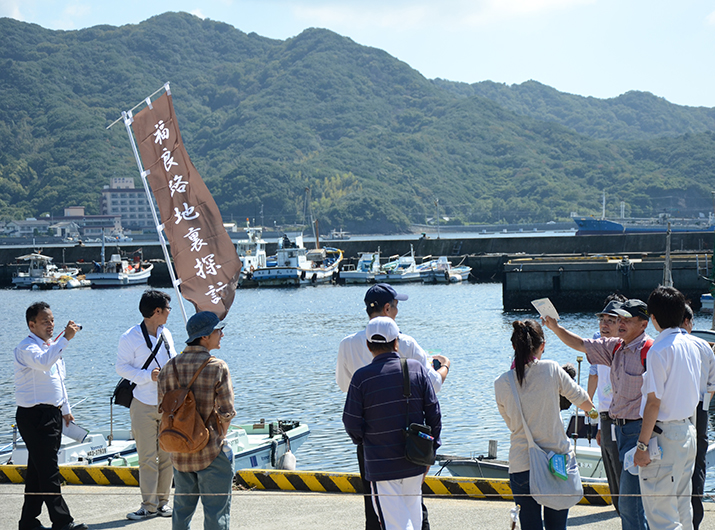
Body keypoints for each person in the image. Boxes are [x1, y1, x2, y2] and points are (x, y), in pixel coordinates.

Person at [336, 283, 449, 530]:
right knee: (414, 507)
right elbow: (433, 393)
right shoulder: (407, 343)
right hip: (411, 442)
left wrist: (365, 439)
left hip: (373, 446)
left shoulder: (348, 345)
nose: (397, 311)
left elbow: (346, 393)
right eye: (396, 306)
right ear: (388, 308)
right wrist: (444, 367)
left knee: (375, 509)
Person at [543, 298, 652, 530]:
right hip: (618, 429)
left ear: (643, 324)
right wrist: (555, 328)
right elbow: (581, 344)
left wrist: (644, 443)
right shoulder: (615, 346)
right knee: (628, 503)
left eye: (626, 320)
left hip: (639, 433)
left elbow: (659, 400)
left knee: (632, 505)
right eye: (618, 319)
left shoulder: (650, 351)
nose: (619, 324)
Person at [495, 320, 593, 530]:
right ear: (543, 345)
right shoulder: (551, 369)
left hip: (522, 465)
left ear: (514, 346)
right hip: (555, 464)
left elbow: (512, 424)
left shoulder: (501, 383)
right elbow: (583, 400)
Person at [158, 311, 236, 530]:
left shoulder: (168, 368)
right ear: (204, 337)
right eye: (218, 330)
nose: (222, 334)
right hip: (210, 450)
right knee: (216, 514)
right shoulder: (217, 366)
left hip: (180, 450)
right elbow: (226, 412)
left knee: (181, 513)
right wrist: (221, 436)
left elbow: (162, 409)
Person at [14, 301, 87, 530]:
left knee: (38, 469)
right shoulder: (27, 348)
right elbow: (44, 364)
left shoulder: (51, 347)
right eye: (45, 321)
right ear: (31, 324)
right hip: (33, 415)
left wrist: (65, 410)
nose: (51, 325)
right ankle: (62, 521)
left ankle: (28, 522)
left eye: (52, 320)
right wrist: (66, 338)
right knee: (48, 469)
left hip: (52, 414)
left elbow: (58, 381)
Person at [631, 287, 699, 529]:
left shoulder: (659, 350)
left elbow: (653, 402)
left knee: (661, 516)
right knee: (683, 509)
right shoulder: (692, 345)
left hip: (664, 436)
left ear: (653, 318)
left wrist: (641, 445)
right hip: (687, 431)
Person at [116, 289, 177, 520]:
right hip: (142, 402)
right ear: (157, 311)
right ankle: (148, 505)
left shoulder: (166, 333)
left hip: (167, 404)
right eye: (167, 309)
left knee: (168, 455)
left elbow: (172, 360)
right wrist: (146, 376)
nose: (170, 313)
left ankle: (163, 503)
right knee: (147, 458)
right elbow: (121, 368)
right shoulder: (129, 336)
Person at [586, 295, 627, 515]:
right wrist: (588, 410)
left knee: (622, 467)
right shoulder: (597, 342)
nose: (604, 324)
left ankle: (627, 513)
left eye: (610, 320)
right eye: (602, 319)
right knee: (610, 464)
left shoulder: (630, 346)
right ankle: (621, 510)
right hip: (605, 414)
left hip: (624, 417)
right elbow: (594, 377)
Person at [681, 303, 715, 530]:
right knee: (698, 464)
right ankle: (695, 519)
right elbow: (712, 386)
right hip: (700, 408)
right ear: (688, 321)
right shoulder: (704, 346)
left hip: (672, 411)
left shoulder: (659, 346)